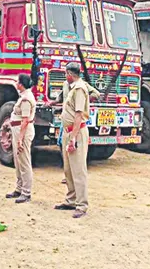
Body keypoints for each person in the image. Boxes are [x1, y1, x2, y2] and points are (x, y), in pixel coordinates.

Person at [54, 62, 92, 218]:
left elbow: (78, 116)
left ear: (70, 74)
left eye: (66, 74)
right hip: (68, 131)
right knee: (68, 169)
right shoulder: (71, 88)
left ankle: (82, 205)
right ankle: (71, 199)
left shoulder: (80, 89)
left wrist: (73, 139)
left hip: (76, 132)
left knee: (78, 170)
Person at [51, 76, 100, 184]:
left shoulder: (81, 86)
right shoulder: (65, 84)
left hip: (76, 122)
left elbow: (96, 94)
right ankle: (67, 175)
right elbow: (60, 97)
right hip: (65, 121)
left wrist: (82, 101)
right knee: (62, 145)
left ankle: (75, 176)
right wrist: (52, 103)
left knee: (76, 151)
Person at [6, 74, 36, 203]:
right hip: (18, 129)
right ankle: (19, 188)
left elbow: (24, 121)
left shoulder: (26, 99)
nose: (16, 83)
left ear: (21, 84)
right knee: (18, 161)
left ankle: (26, 192)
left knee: (24, 161)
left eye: (18, 82)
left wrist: (20, 139)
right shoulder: (24, 96)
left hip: (22, 131)